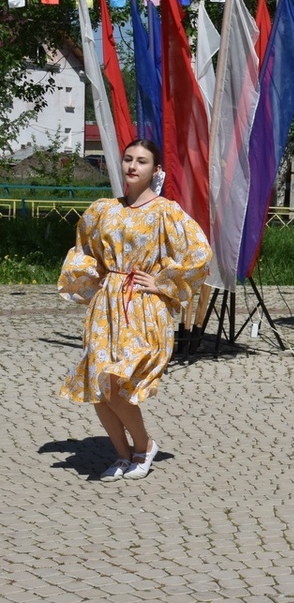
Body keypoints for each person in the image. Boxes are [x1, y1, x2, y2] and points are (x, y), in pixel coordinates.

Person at [58, 139, 212, 481]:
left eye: (142, 161)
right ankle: (123, 456)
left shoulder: (165, 212)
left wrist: (162, 283)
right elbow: (84, 248)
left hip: (142, 306)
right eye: (128, 159)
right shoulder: (104, 209)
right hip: (107, 304)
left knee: (116, 381)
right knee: (99, 385)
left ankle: (144, 446)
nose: (132, 166)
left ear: (155, 170)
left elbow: (199, 253)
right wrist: (96, 282)